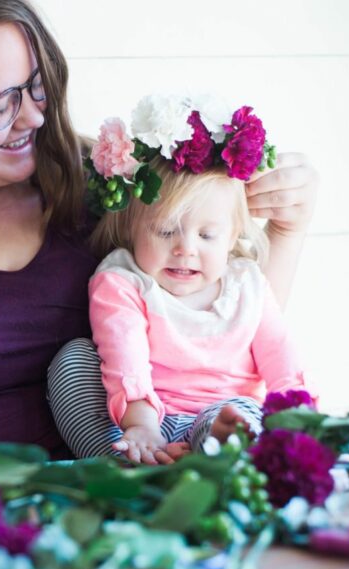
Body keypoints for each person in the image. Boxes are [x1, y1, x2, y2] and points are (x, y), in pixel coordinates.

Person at [0, 0, 318, 460]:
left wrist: (288, 230)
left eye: (36, 87)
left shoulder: (105, 188)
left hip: (136, 477)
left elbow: (228, 327)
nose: (33, 117)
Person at [56, 100, 309, 464]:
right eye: (165, 230)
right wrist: (142, 427)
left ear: (234, 235)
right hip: (140, 420)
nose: (185, 249)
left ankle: (219, 454)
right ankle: (131, 461)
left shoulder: (247, 285)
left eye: (207, 236)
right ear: (132, 226)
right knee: (73, 361)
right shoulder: (124, 281)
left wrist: (299, 417)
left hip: (219, 414)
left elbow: (280, 355)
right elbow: (124, 357)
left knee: (240, 412)